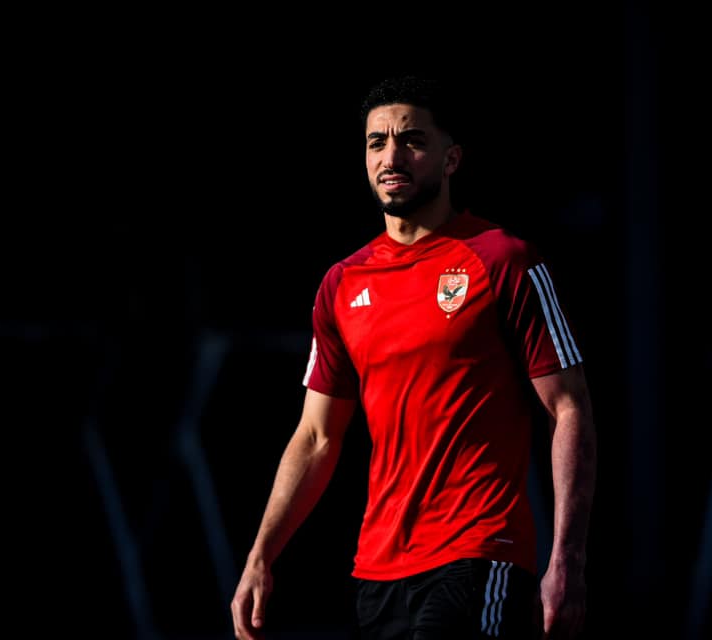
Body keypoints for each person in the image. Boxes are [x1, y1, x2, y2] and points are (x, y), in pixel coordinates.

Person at [231, 74, 597, 640]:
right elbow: (316, 437)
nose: (391, 157)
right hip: (377, 572)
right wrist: (260, 555)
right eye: (376, 142)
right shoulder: (342, 283)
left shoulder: (503, 260)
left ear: (451, 159)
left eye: (412, 140)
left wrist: (567, 559)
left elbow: (569, 409)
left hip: (479, 552)